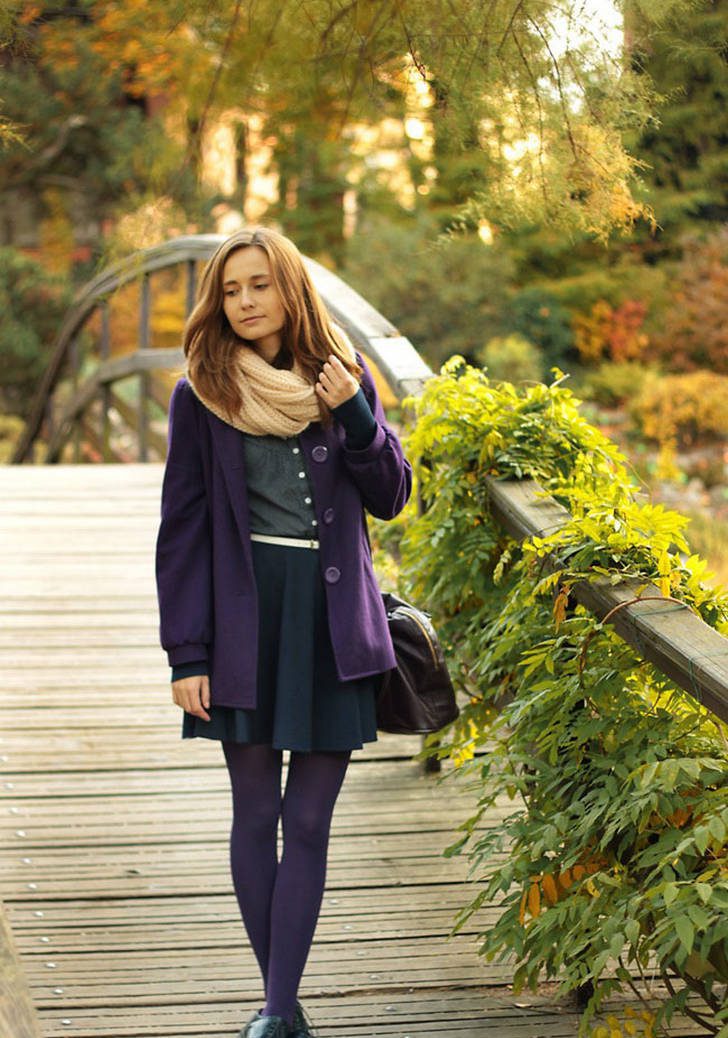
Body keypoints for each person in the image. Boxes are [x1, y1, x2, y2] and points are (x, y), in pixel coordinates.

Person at [154, 226, 412, 1038]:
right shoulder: (201, 392)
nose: (244, 302)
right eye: (230, 290)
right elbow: (183, 529)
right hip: (242, 623)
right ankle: (280, 1009)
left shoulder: (343, 377)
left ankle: (274, 1008)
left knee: (308, 822)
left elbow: (393, 495)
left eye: (259, 285)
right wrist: (185, 653)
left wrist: (357, 414)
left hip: (333, 625)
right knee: (256, 810)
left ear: (290, 288)